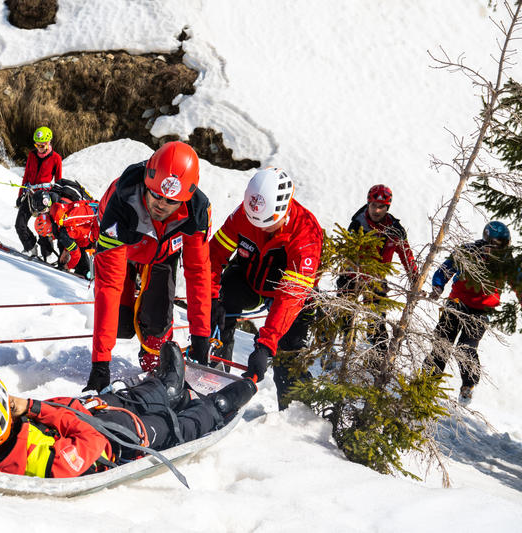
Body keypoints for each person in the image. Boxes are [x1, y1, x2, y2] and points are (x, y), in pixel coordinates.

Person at [0, 342, 257, 477]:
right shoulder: (40, 461)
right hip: (116, 440)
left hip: (87, 411)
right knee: (170, 426)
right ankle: (216, 407)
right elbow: (90, 439)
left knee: (132, 397)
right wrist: (29, 406)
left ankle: (167, 388)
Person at [84, 141, 213, 392]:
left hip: (162, 251)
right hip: (125, 245)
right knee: (121, 324)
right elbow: (108, 286)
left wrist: (201, 339)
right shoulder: (120, 203)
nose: (161, 205)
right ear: (146, 182)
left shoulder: (197, 212)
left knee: (157, 322)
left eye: (171, 201)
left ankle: (153, 358)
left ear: (186, 198)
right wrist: (100, 365)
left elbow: (198, 273)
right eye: (155, 194)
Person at [209, 167, 323, 410]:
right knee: (222, 304)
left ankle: (295, 412)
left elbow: (292, 296)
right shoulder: (245, 214)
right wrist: (210, 298)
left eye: (267, 224)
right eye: (254, 222)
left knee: (289, 348)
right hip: (250, 280)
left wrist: (266, 344)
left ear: (284, 210)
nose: (259, 230)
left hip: (288, 295)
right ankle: (216, 378)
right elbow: (215, 253)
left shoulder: (306, 232)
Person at [426, 221, 520, 404]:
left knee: (466, 347)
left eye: (503, 245)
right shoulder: (469, 251)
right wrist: (437, 286)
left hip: (482, 310)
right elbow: (446, 269)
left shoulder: (507, 261)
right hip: (456, 302)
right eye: (496, 245)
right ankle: (426, 383)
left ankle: (468, 385)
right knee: (441, 343)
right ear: (487, 241)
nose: (498, 250)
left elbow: (519, 283)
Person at [334, 184, 419, 354]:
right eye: (373, 205)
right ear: (368, 204)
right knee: (344, 315)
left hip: (376, 279)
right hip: (352, 275)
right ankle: (340, 350)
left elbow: (406, 255)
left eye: (381, 207)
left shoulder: (395, 230)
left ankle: (378, 358)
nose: (377, 210)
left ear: (387, 207)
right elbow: (347, 251)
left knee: (377, 323)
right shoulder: (358, 224)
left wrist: (415, 278)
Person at [15, 126, 63, 258]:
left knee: (44, 229)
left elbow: (59, 181)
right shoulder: (32, 154)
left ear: (49, 143)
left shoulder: (56, 158)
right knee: (20, 224)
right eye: (37, 145)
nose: (39, 148)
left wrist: (56, 201)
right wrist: (21, 194)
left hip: (44, 198)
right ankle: (30, 246)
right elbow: (26, 176)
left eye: (42, 145)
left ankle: (47, 256)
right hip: (30, 194)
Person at [34, 196, 98, 279]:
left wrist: (68, 266)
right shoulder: (60, 216)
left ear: (50, 229)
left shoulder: (63, 234)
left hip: (97, 230)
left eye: (49, 234)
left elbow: (76, 255)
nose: (51, 237)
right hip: (95, 218)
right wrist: (66, 250)